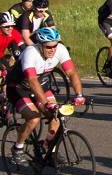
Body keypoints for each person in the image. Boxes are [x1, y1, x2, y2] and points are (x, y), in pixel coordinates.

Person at [9, 26, 84, 160]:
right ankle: (17, 148)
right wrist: (45, 103)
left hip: (42, 86)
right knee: (34, 118)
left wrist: (79, 95)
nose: (52, 50)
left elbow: (71, 72)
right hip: (19, 88)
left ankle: (47, 149)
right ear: (40, 45)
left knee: (57, 116)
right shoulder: (30, 53)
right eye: (48, 47)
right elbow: (32, 80)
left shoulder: (60, 50)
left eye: (54, 46)